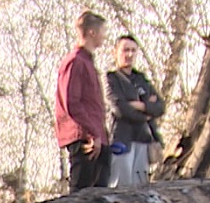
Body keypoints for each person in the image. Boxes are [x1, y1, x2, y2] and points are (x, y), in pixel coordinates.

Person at [55, 11, 111, 192]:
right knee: (80, 199)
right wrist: (92, 133)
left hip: (97, 138)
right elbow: (72, 102)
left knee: (99, 197)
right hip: (84, 138)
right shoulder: (75, 61)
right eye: (103, 31)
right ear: (92, 32)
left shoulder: (88, 62)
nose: (105, 35)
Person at [105, 35, 165, 187]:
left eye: (133, 50)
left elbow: (160, 106)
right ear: (115, 52)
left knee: (140, 188)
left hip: (143, 140)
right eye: (125, 50)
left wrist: (140, 106)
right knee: (120, 188)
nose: (129, 55)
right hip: (121, 140)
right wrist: (146, 111)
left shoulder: (141, 79)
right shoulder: (111, 79)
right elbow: (120, 108)